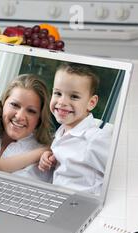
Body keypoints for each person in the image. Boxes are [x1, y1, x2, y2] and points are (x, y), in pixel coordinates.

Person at [38, 63, 112, 195]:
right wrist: (51, 158)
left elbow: (120, 176)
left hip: (84, 204)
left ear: (91, 103)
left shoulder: (96, 138)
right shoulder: (61, 132)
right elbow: (73, 162)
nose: (62, 102)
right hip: (59, 200)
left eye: (74, 96)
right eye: (58, 93)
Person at [0, 74, 53, 182]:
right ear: (3, 102)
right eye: (14, 105)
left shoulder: (45, 159)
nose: (19, 117)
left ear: (40, 118)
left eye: (31, 111)